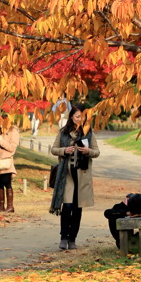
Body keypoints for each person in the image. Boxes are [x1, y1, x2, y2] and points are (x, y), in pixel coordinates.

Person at [50, 104, 99, 250]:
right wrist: (64, 150)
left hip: (82, 175)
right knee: (67, 206)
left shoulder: (89, 132)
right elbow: (53, 149)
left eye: (83, 117)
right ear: (71, 117)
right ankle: (63, 237)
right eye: (78, 116)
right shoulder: (63, 132)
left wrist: (87, 151)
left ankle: (73, 238)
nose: (80, 119)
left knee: (77, 208)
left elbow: (97, 152)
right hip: (67, 174)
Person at [0, 116, 20, 212]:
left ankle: (10, 206)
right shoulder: (0, 130)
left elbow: (12, 148)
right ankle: (1, 206)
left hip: (7, 161)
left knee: (7, 184)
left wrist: (1, 140)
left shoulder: (13, 132)